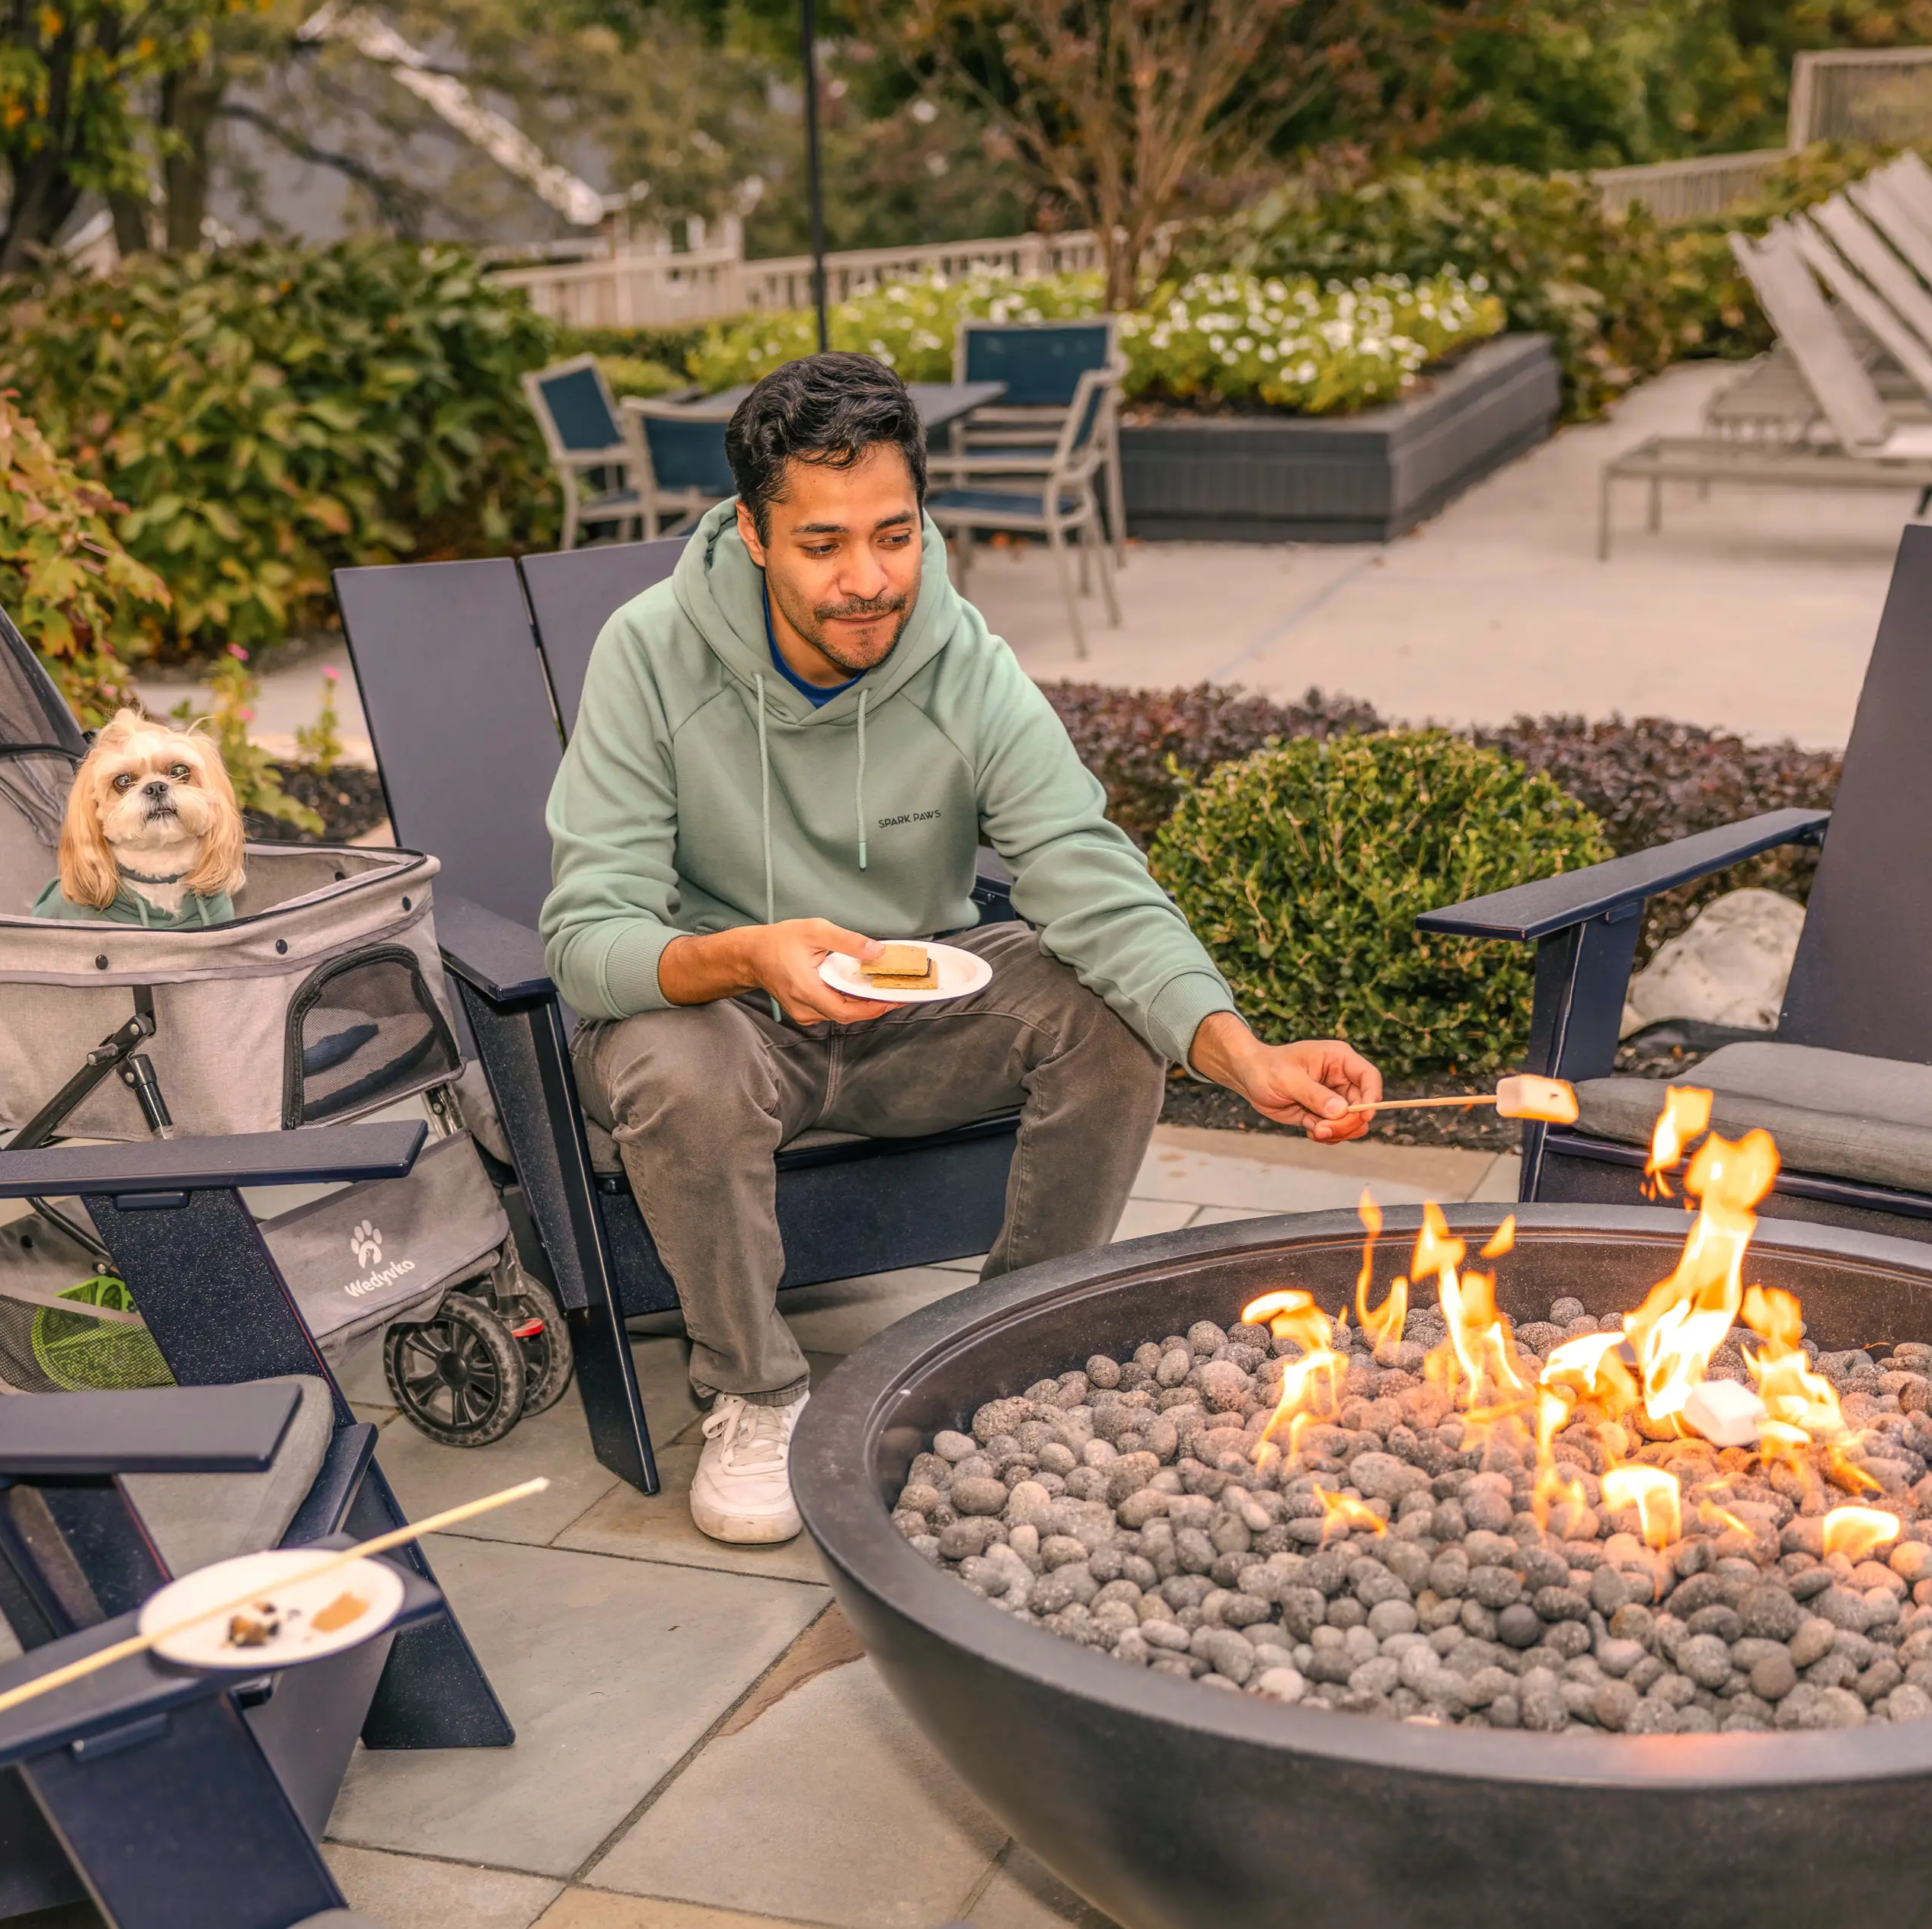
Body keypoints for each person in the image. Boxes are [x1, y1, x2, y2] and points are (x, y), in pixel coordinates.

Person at [539, 353, 1384, 1545]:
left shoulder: (961, 658)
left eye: (895, 535)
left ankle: (1010, 1347)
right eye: (824, 544)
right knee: (675, 1065)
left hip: (909, 1013)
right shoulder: (650, 653)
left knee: (1106, 1012)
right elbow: (586, 935)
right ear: (753, 533)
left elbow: (1085, 869)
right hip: (725, 1024)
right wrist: (747, 955)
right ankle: (753, 1392)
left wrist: (1240, 1055)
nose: (868, 580)